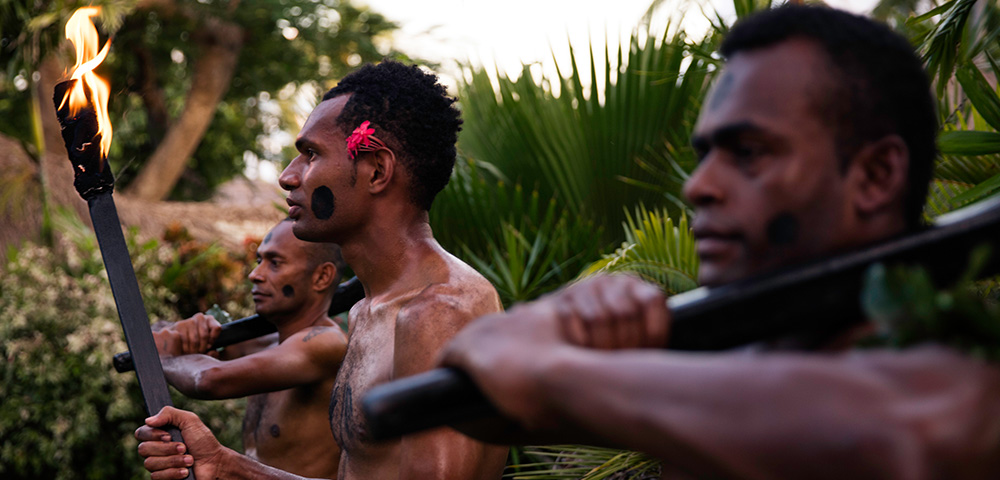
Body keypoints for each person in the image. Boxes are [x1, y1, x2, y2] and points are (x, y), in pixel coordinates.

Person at [434, 5, 1000, 479]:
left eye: (750, 152)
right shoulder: (724, 360)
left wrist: (549, 370)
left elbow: (895, 432)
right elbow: (483, 404)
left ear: (875, 176)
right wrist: (553, 323)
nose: (698, 186)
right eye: (706, 154)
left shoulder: (962, 381)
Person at [136, 61, 509, 480]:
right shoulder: (367, 311)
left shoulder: (441, 312)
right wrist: (225, 466)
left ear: (376, 170)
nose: (287, 177)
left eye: (311, 154)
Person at [150, 219, 348, 479]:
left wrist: (158, 357)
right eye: (259, 261)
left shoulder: (326, 343)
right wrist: (184, 330)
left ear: (322, 276)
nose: (255, 274)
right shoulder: (263, 343)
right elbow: (160, 335)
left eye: (275, 263)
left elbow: (209, 379)